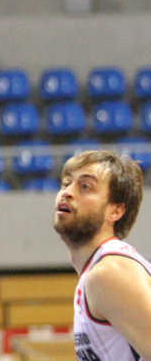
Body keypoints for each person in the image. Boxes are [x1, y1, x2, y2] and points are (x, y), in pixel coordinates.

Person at [53, 149, 151, 360]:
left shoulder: (109, 273)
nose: (67, 192)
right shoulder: (100, 270)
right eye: (66, 183)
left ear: (115, 211)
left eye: (85, 186)